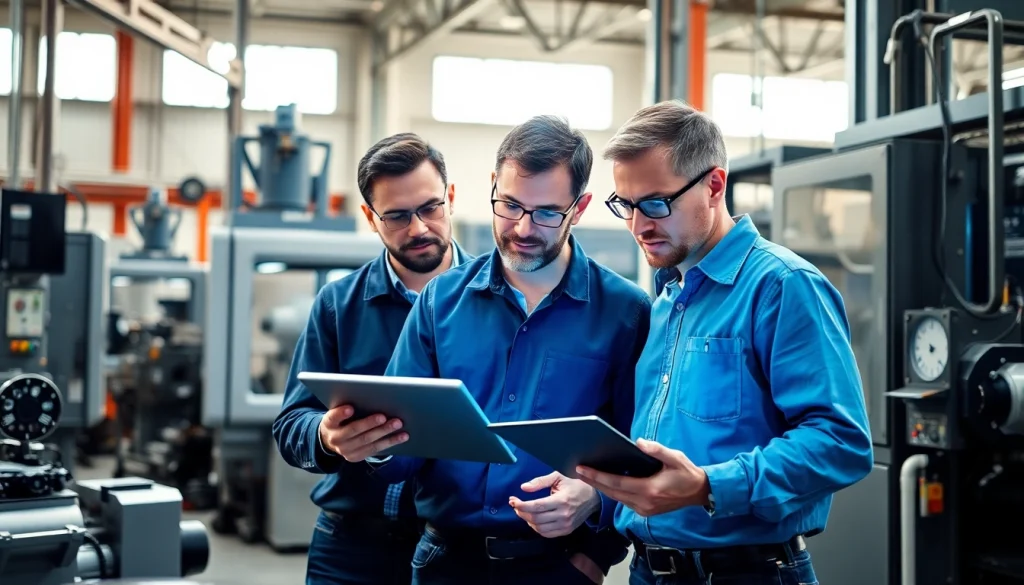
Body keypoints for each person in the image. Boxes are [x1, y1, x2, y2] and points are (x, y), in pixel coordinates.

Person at [318, 115, 652, 585]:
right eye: (510, 205)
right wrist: (366, 443)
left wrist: (597, 530)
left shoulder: (627, 312)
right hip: (445, 562)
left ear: (579, 208)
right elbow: (401, 449)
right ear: (492, 185)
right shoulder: (440, 301)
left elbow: (640, 444)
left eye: (546, 213)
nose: (523, 227)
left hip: (559, 565)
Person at [574, 100, 874, 585]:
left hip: (746, 573)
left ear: (714, 186)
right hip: (651, 571)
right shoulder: (667, 296)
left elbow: (841, 442)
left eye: (655, 203)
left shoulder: (782, 286)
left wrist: (707, 487)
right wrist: (596, 491)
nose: (638, 225)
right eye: (625, 205)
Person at [272, 132, 470, 585]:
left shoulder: (497, 299)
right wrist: (325, 434)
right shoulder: (338, 305)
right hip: (352, 548)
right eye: (397, 216)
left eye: (430, 208)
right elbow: (291, 425)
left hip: (460, 546)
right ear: (370, 217)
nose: (418, 228)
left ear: (451, 197)